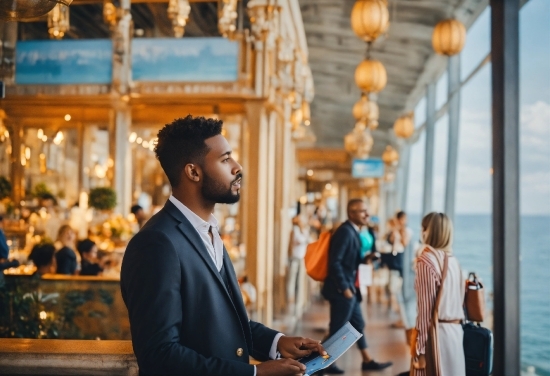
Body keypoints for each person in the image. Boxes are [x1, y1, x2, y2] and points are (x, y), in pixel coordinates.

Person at [121, 115, 326, 376]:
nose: (237, 167)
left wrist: (277, 342)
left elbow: (220, 322)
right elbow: (159, 354)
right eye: (225, 159)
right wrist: (255, 373)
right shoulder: (156, 243)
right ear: (193, 172)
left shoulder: (209, 231)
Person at [321, 198, 392, 374]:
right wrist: (345, 288)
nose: (367, 214)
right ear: (351, 213)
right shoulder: (345, 232)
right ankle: (320, 363)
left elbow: (348, 260)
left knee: (357, 324)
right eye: (363, 211)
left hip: (350, 289)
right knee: (338, 329)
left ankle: (367, 360)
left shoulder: (353, 231)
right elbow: (335, 263)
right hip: (342, 290)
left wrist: (366, 259)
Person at [411, 212, 465, 376]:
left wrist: (419, 349)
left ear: (427, 231)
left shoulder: (427, 260)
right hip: (455, 334)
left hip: (436, 337)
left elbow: (425, 311)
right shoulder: (453, 261)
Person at [287, 215, 309, 306]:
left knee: (299, 281)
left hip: (301, 258)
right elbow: (299, 241)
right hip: (295, 258)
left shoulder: (304, 230)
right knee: (291, 280)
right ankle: (290, 300)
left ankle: (298, 303)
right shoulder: (295, 230)